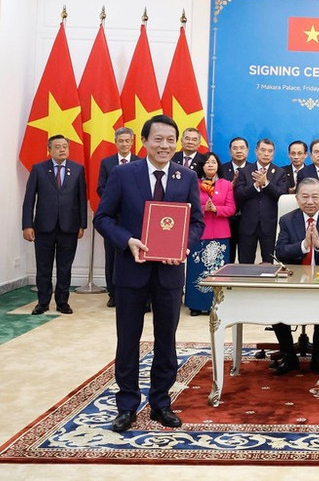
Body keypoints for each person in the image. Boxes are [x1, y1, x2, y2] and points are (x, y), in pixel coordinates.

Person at [94, 114, 205, 432]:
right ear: (144, 141)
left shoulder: (186, 177)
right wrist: (127, 241)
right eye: (158, 139)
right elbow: (103, 218)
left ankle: (160, 403)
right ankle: (127, 405)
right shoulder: (123, 174)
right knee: (128, 340)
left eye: (171, 139)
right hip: (131, 271)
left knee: (166, 341)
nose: (165, 145)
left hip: (170, 273)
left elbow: (197, 221)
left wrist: (184, 245)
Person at [272, 178, 319, 376]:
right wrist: (304, 245)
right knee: (275, 308)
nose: (310, 201)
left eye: (315, 196)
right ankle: (289, 357)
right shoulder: (287, 220)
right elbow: (280, 252)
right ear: (297, 199)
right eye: (305, 197)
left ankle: (318, 358)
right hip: (293, 279)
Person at [21, 135, 87, 315]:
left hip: (69, 227)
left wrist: (82, 224)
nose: (62, 149)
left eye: (65, 146)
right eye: (57, 146)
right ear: (49, 149)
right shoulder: (39, 169)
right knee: (44, 267)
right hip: (43, 227)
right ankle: (42, 302)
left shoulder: (77, 169)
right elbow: (29, 199)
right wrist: (27, 224)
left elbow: (81, 198)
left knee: (65, 267)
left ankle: (62, 302)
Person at [185, 152, 235, 316]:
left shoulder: (226, 184)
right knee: (196, 270)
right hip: (199, 233)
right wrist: (202, 208)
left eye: (214, 162)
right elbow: (187, 206)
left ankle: (217, 304)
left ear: (218, 165)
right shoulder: (193, 183)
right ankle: (196, 305)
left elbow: (231, 208)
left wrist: (216, 209)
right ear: (202, 166)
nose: (211, 165)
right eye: (207, 162)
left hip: (220, 233)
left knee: (217, 271)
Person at [97, 127, 140, 307]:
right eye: (120, 141)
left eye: (127, 141)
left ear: (132, 142)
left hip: (134, 218)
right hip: (113, 218)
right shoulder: (107, 163)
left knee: (134, 255)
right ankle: (113, 294)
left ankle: (135, 292)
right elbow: (100, 188)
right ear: (116, 143)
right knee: (111, 258)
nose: (124, 144)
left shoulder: (140, 162)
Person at [233, 138, 288, 263]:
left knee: (269, 262)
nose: (266, 154)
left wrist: (266, 183)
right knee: (245, 263)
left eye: (270, 151)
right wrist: (255, 186)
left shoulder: (280, 172)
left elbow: (282, 196)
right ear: (256, 151)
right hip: (248, 224)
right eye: (263, 150)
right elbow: (238, 194)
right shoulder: (245, 171)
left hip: (270, 225)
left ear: (274, 153)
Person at [220, 136, 248, 263]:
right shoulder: (221, 169)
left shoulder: (253, 169)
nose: (239, 151)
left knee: (246, 256)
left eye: (242, 148)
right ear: (230, 151)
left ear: (247, 150)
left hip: (247, 218)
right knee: (227, 255)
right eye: (235, 148)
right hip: (227, 219)